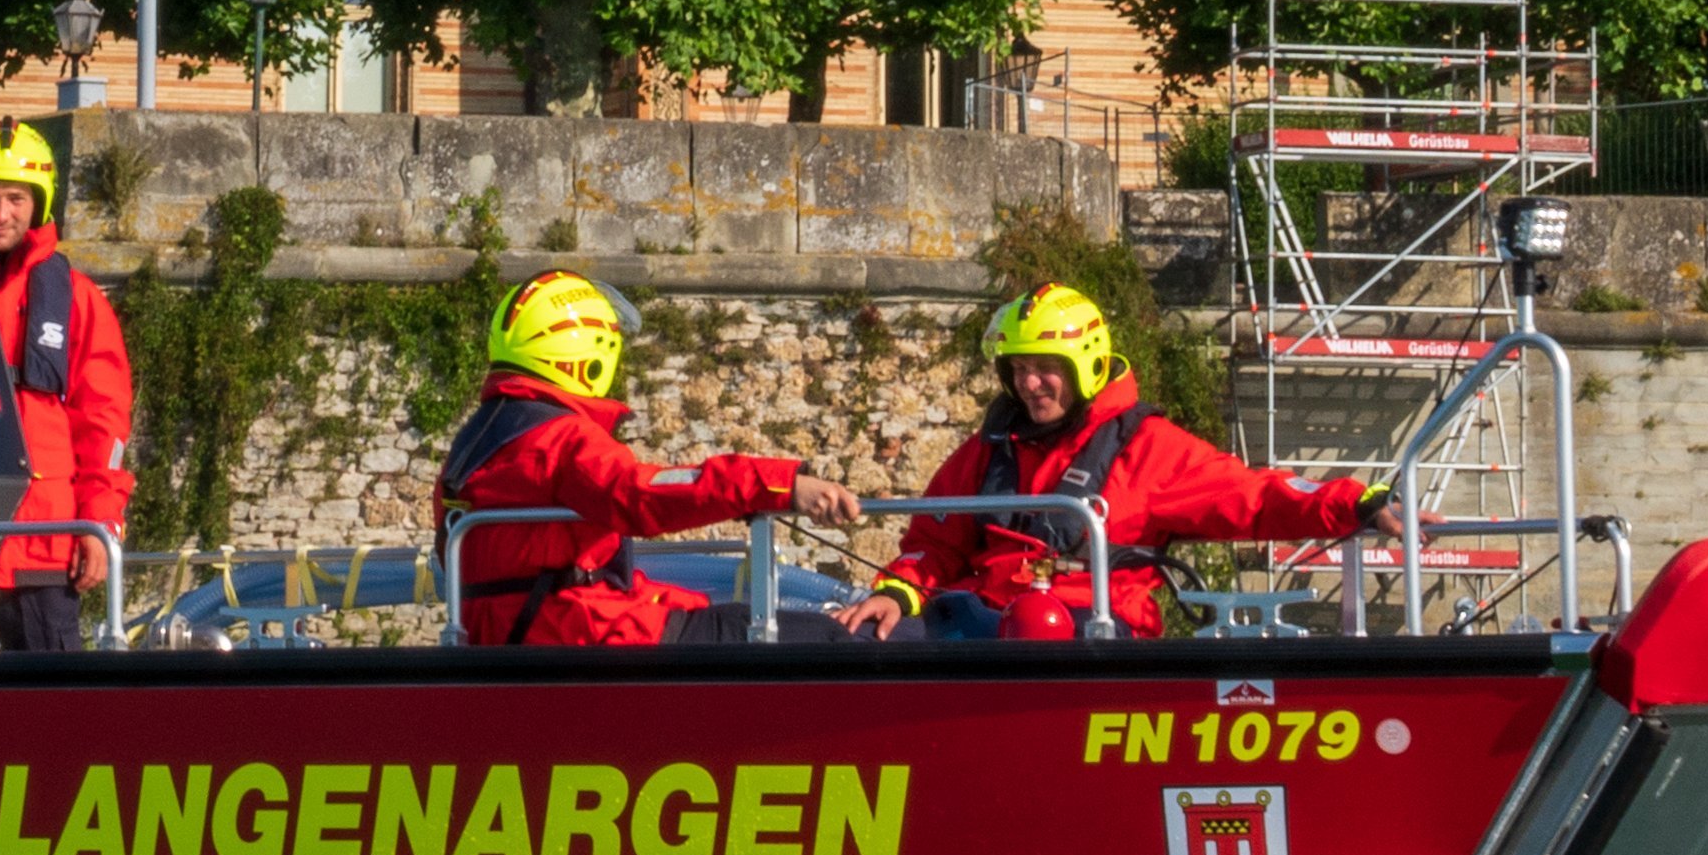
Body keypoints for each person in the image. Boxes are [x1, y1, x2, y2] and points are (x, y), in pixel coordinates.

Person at [837, 284, 1381, 641]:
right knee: (877, 633)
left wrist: (1360, 503)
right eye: (1019, 367)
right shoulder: (989, 448)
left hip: (1092, 635)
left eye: (1047, 367)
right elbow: (934, 545)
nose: (1029, 383)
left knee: (1038, 624)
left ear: (1087, 365)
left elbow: (1254, 496)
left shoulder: (1148, 448)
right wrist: (896, 592)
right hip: (989, 627)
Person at [437, 270, 856, 647]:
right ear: (590, 356)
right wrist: (774, 485)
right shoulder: (560, 437)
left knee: (714, 613)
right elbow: (641, 496)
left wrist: (683, 601)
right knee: (822, 637)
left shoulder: (476, 442)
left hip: (508, 632)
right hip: (578, 631)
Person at [0, 119, 133, 653]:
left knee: (56, 710)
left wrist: (100, 523)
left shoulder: (74, 298)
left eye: (14, 198)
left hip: (44, 547)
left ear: (38, 203)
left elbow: (104, 423)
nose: (0, 214)